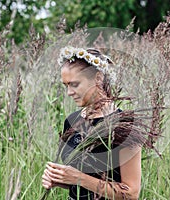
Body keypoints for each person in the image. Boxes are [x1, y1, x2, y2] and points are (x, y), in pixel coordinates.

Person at [41, 46, 142, 200]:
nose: (69, 92)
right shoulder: (72, 121)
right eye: (66, 85)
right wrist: (61, 179)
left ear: (98, 78)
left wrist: (78, 178)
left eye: (74, 84)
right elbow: (81, 184)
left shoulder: (125, 125)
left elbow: (131, 193)